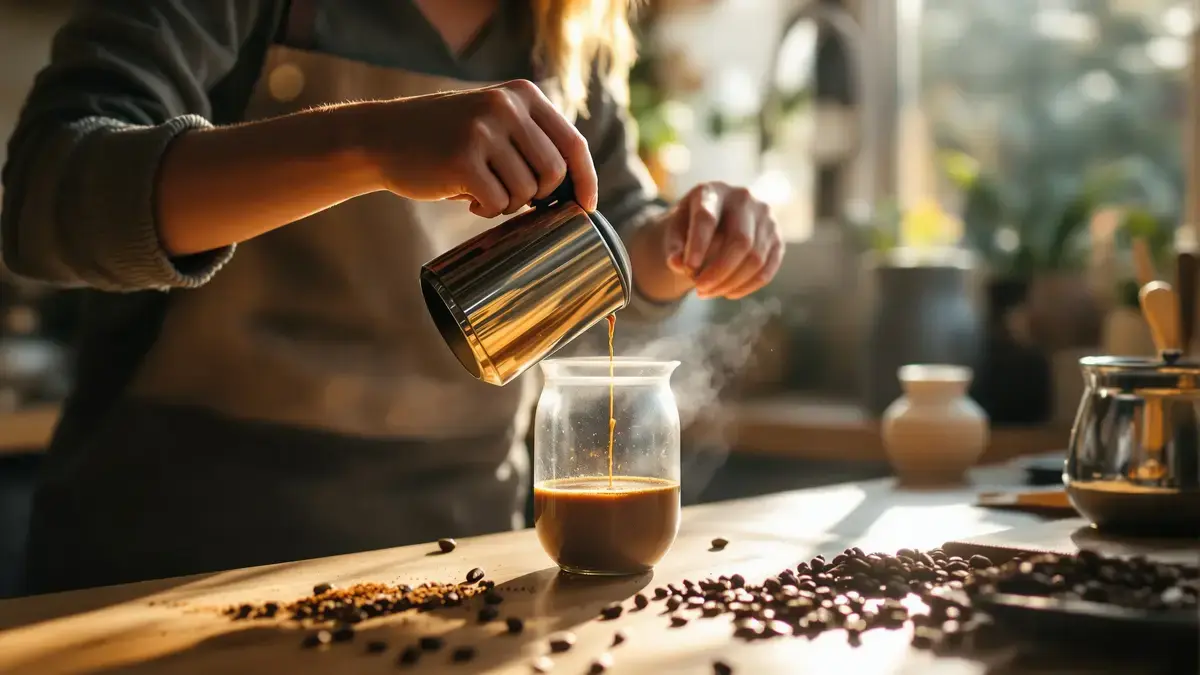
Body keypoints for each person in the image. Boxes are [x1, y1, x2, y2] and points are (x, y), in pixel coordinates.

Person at [1, 0, 783, 594]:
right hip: (174, 560)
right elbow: (45, 197)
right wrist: (367, 143)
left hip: (453, 567)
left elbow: (613, 234)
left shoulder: (558, 26)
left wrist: (685, 242)